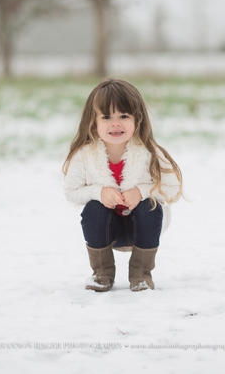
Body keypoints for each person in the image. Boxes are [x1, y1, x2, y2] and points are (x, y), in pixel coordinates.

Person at [63, 79, 182, 292]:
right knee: (93, 208)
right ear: (93, 122)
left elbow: (172, 187)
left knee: (150, 205)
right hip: (109, 231)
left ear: (138, 119)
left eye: (124, 116)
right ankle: (101, 274)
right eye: (107, 117)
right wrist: (99, 192)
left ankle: (141, 275)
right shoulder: (85, 155)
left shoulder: (150, 152)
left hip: (143, 228)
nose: (115, 123)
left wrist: (141, 192)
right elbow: (71, 191)